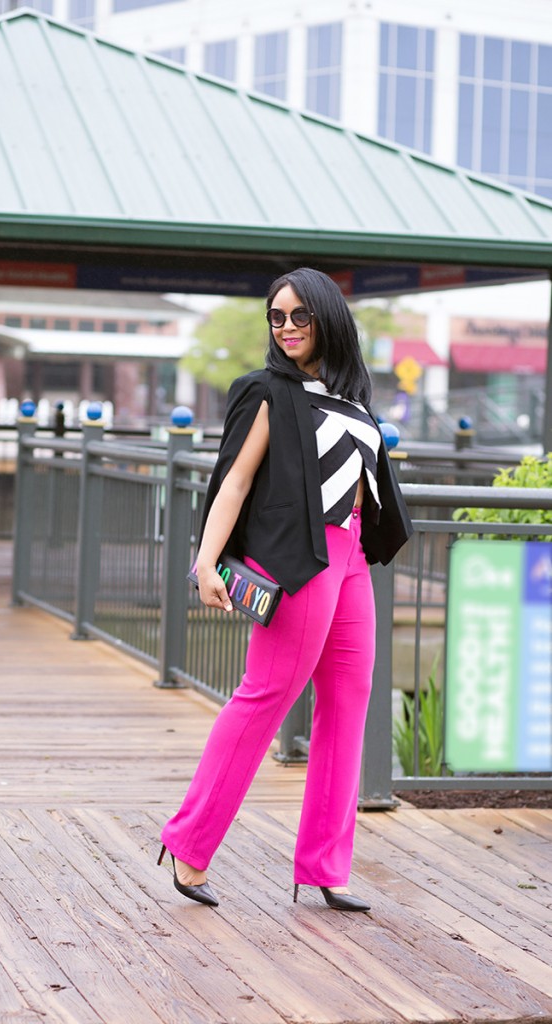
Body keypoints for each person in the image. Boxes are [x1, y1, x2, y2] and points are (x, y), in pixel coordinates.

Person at [158, 267, 413, 912]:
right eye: (278, 318)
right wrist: (207, 561)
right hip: (302, 556)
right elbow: (235, 481)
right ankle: (189, 847)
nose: (289, 328)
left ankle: (325, 867)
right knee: (266, 695)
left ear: (328, 319)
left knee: (349, 700)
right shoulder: (266, 392)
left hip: (352, 554)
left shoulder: (352, 398)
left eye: (301, 316)